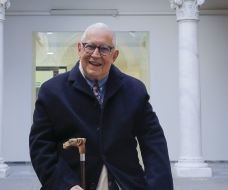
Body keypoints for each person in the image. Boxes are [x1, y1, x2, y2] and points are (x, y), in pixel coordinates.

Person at [29, 23, 173, 190]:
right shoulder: (52, 91)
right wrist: (64, 184)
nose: (95, 54)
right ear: (79, 49)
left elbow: (154, 144)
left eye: (104, 49)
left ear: (114, 55)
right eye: (89, 47)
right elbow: (41, 147)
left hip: (124, 184)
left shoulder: (135, 90)